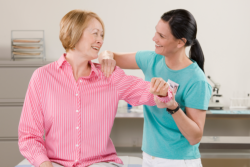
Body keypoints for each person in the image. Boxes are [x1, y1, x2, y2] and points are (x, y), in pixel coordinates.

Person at [18, 9, 172, 167]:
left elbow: (151, 94)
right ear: (73, 33)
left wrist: (162, 90)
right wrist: (45, 164)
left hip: (100, 162)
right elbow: (29, 135)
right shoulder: (42, 77)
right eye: (95, 33)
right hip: (55, 163)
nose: (100, 40)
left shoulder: (109, 75)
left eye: (102, 35)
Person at [99, 9, 212, 167]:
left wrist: (172, 106)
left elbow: (195, 137)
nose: (154, 39)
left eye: (162, 36)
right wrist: (105, 57)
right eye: (156, 32)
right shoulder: (152, 60)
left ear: (180, 42)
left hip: (179, 161)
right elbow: (109, 54)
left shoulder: (197, 80)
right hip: (149, 156)